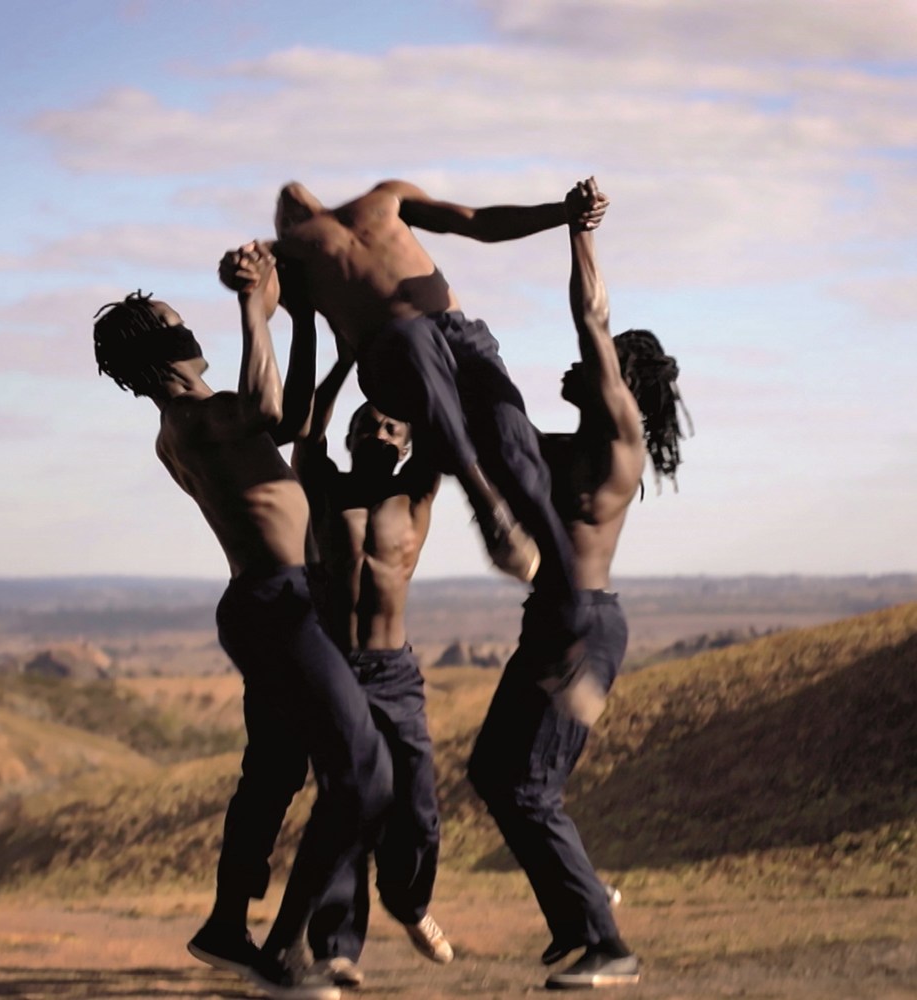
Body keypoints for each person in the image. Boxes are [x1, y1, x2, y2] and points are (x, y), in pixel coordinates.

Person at [92, 246, 393, 1000]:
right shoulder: (192, 420)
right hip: (277, 602)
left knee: (274, 774)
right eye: (175, 323)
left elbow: (286, 417)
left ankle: (227, 926)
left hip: (280, 602)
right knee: (361, 774)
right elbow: (264, 409)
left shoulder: (205, 416)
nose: (189, 329)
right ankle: (285, 955)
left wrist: (300, 320)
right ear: (156, 351)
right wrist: (252, 304)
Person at [467, 179, 690, 990]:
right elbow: (501, 439)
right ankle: (583, 915)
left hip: (586, 632)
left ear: (621, 377)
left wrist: (576, 231)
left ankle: (606, 943)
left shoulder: (618, 439)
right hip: (557, 622)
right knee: (497, 772)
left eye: (596, 363)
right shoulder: (565, 450)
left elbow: (591, 318)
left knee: (527, 785)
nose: (576, 362)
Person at [262, 179, 608, 674]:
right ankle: (486, 505)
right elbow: (267, 305)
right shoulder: (289, 254)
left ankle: (570, 605)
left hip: (460, 337)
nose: (290, 192)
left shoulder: (386, 198)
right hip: (390, 352)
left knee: (514, 453)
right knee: (412, 337)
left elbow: (474, 221)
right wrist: (245, 279)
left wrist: (563, 213)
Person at [291, 354, 450, 988]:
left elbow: (440, 418)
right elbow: (308, 427)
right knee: (346, 804)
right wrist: (349, 356)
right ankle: (336, 947)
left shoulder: (416, 493)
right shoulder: (325, 487)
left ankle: (409, 901)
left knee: (418, 807)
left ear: (407, 445)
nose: (381, 434)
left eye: (393, 429)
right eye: (371, 425)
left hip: (395, 672)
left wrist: (406, 361)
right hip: (336, 670)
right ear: (352, 435)